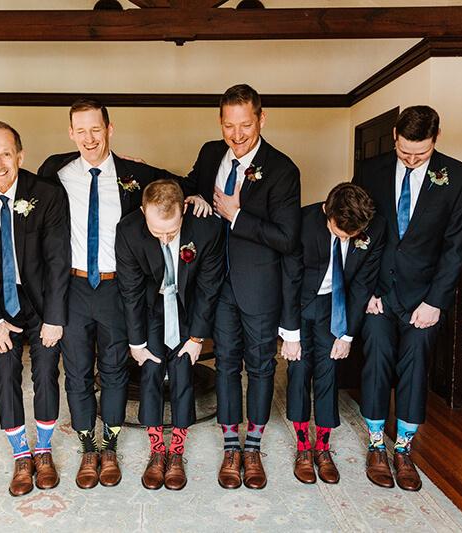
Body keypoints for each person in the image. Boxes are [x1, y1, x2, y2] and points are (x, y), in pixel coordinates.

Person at [36, 98, 210, 489]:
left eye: (96, 129)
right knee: (78, 372)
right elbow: (14, 184)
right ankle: (87, 447)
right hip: (74, 287)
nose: (89, 138)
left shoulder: (134, 172)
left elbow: (179, 185)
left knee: (114, 371)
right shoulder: (54, 171)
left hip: (119, 287)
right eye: (80, 130)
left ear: (109, 129)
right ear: (70, 134)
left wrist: (194, 197)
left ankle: (110, 446)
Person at [182, 84, 301, 490]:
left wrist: (236, 215)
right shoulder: (209, 153)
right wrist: (192, 193)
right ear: (220, 122)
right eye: (229, 126)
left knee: (262, 366)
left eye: (245, 125)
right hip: (216, 285)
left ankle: (254, 447)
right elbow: (189, 184)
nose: (236, 135)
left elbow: (287, 238)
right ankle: (231, 445)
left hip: (260, 287)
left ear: (261, 119)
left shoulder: (283, 169)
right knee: (226, 363)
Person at [353, 105, 462, 491]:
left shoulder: (459, 178)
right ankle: (377, 443)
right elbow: (362, 233)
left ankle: (403, 449)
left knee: (415, 364)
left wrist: (435, 301)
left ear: (435, 140)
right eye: (405, 151)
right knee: (374, 357)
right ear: (395, 135)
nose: (410, 159)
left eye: (419, 154)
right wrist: (367, 289)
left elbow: (456, 248)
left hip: (425, 297)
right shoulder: (370, 171)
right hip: (379, 293)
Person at [0, 121, 70, 497]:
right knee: (5, 375)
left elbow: (57, 260)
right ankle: (22, 454)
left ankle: (44, 448)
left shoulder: (48, 194)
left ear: (20, 155)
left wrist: (55, 318)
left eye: (6, 153)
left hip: (40, 302)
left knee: (46, 372)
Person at [115, 179, 225, 490]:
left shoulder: (207, 230)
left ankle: (175, 451)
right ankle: (156, 450)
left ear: (184, 211)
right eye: (157, 231)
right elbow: (131, 290)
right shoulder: (128, 230)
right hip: (151, 307)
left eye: (172, 232)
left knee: (182, 370)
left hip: (188, 306)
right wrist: (136, 342)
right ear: (142, 212)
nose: (164, 238)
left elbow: (208, 287)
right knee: (149, 368)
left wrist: (196, 339)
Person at [282, 183, 385, 485]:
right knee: (299, 370)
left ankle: (322, 448)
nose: (345, 239)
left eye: (352, 236)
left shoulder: (372, 230)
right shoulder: (301, 222)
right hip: (300, 304)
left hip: (335, 306)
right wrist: (289, 332)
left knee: (329, 372)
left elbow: (363, 285)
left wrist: (347, 335)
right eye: (340, 233)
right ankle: (303, 447)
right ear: (328, 213)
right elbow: (289, 277)